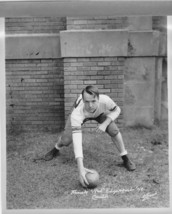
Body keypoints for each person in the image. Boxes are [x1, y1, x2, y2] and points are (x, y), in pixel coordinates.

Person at [41, 85, 136, 187]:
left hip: (100, 114)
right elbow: (77, 141)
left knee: (114, 130)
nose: (90, 105)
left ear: (98, 99)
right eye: (87, 101)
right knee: (67, 139)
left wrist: (104, 124)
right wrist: (81, 168)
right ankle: (56, 148)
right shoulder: (77, 113)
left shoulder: (105, 100)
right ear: (83, 99)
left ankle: (125, 158)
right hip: (83, 115)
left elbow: (117, 110)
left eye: (93, 101)